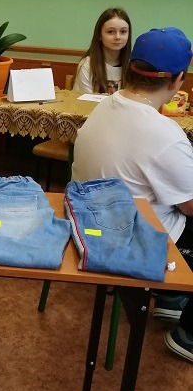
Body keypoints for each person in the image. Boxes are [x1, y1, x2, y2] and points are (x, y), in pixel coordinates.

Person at [71, 27, 193, 362]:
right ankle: (188, 334)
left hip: (87, 220)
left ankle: (170, 299)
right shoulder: (166, 135)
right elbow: (190, 205)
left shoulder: (106, 105)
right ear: (178, 80)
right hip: (128, 237)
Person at [73, 8, 132, 94]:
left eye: (123, 31)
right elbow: (83, 100)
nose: (118, 37)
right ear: (99, 35)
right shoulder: (88, 65)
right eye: (111, 32)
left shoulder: (133, 65)